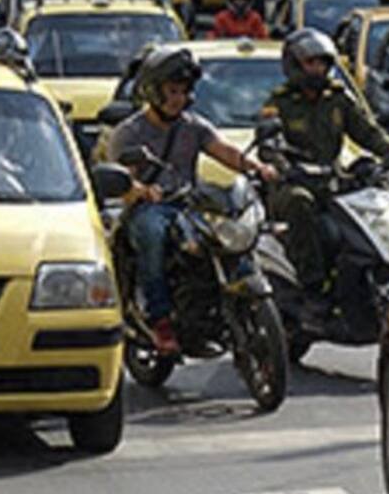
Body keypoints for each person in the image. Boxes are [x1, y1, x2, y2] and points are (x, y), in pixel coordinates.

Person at [108, 47, 277, 354]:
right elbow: (122, 181)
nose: (179, 98)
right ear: (153, 91)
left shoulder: (193, 126)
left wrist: (258, 168)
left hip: (188, 204)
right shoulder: (130, 132)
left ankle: (228, 296)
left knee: (226, 231)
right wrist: (141, 190)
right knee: (153, 233)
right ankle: (159, 318)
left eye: (184, 91)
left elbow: (226, 151)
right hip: (149, 209)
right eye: (172, 91)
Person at [260, 28, 389, 325]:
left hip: (331, 182)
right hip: (293, 183)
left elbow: (368, 132)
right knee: (300, 203)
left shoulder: (338, 98)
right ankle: (313, 288)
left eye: (322, 63)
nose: (318, 69)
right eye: (310, 63)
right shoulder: (279, 103)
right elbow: (268, 146)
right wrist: (284, 166)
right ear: (294, 65)